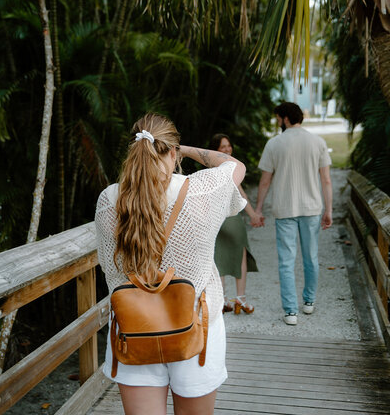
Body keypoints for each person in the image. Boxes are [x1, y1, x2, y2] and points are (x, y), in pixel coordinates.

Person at [95, 113, 247, 415]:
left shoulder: (109, 200)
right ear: (172, 150)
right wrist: (185, 149)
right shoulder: (203, 190)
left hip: (133, 328)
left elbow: (108, 266)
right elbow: (234, 166)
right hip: (196, 328)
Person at [252, 102, 333, 326]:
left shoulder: (274, 144)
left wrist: (258, 209)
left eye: (278, 118)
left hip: (285, 209)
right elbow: (326, 180)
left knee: (286, 262)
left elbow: (265, 181)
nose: (278, 122)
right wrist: (329, 209)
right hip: (312, 209)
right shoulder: (318, 142)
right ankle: (309, 301)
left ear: (286, 118)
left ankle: (290, 312)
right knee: (311, 258)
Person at [210, 133, 258, 314]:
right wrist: (253, 214)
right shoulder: (229, 168)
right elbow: (240, 195)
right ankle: (240, 299)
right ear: (216, 150)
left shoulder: (208, 170)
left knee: (219, 257)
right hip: (231, 218)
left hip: (216, 219)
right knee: (241, 256)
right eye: (222, 147)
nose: (227, 149)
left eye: (228, 146)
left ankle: (221, 299)